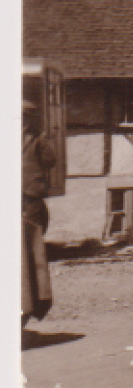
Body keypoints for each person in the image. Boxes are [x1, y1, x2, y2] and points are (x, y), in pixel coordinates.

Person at [23, 101, 55, 329]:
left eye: (24, 117)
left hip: (31, 193)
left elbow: (50, 161)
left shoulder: (38, 139)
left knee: (31, 235)